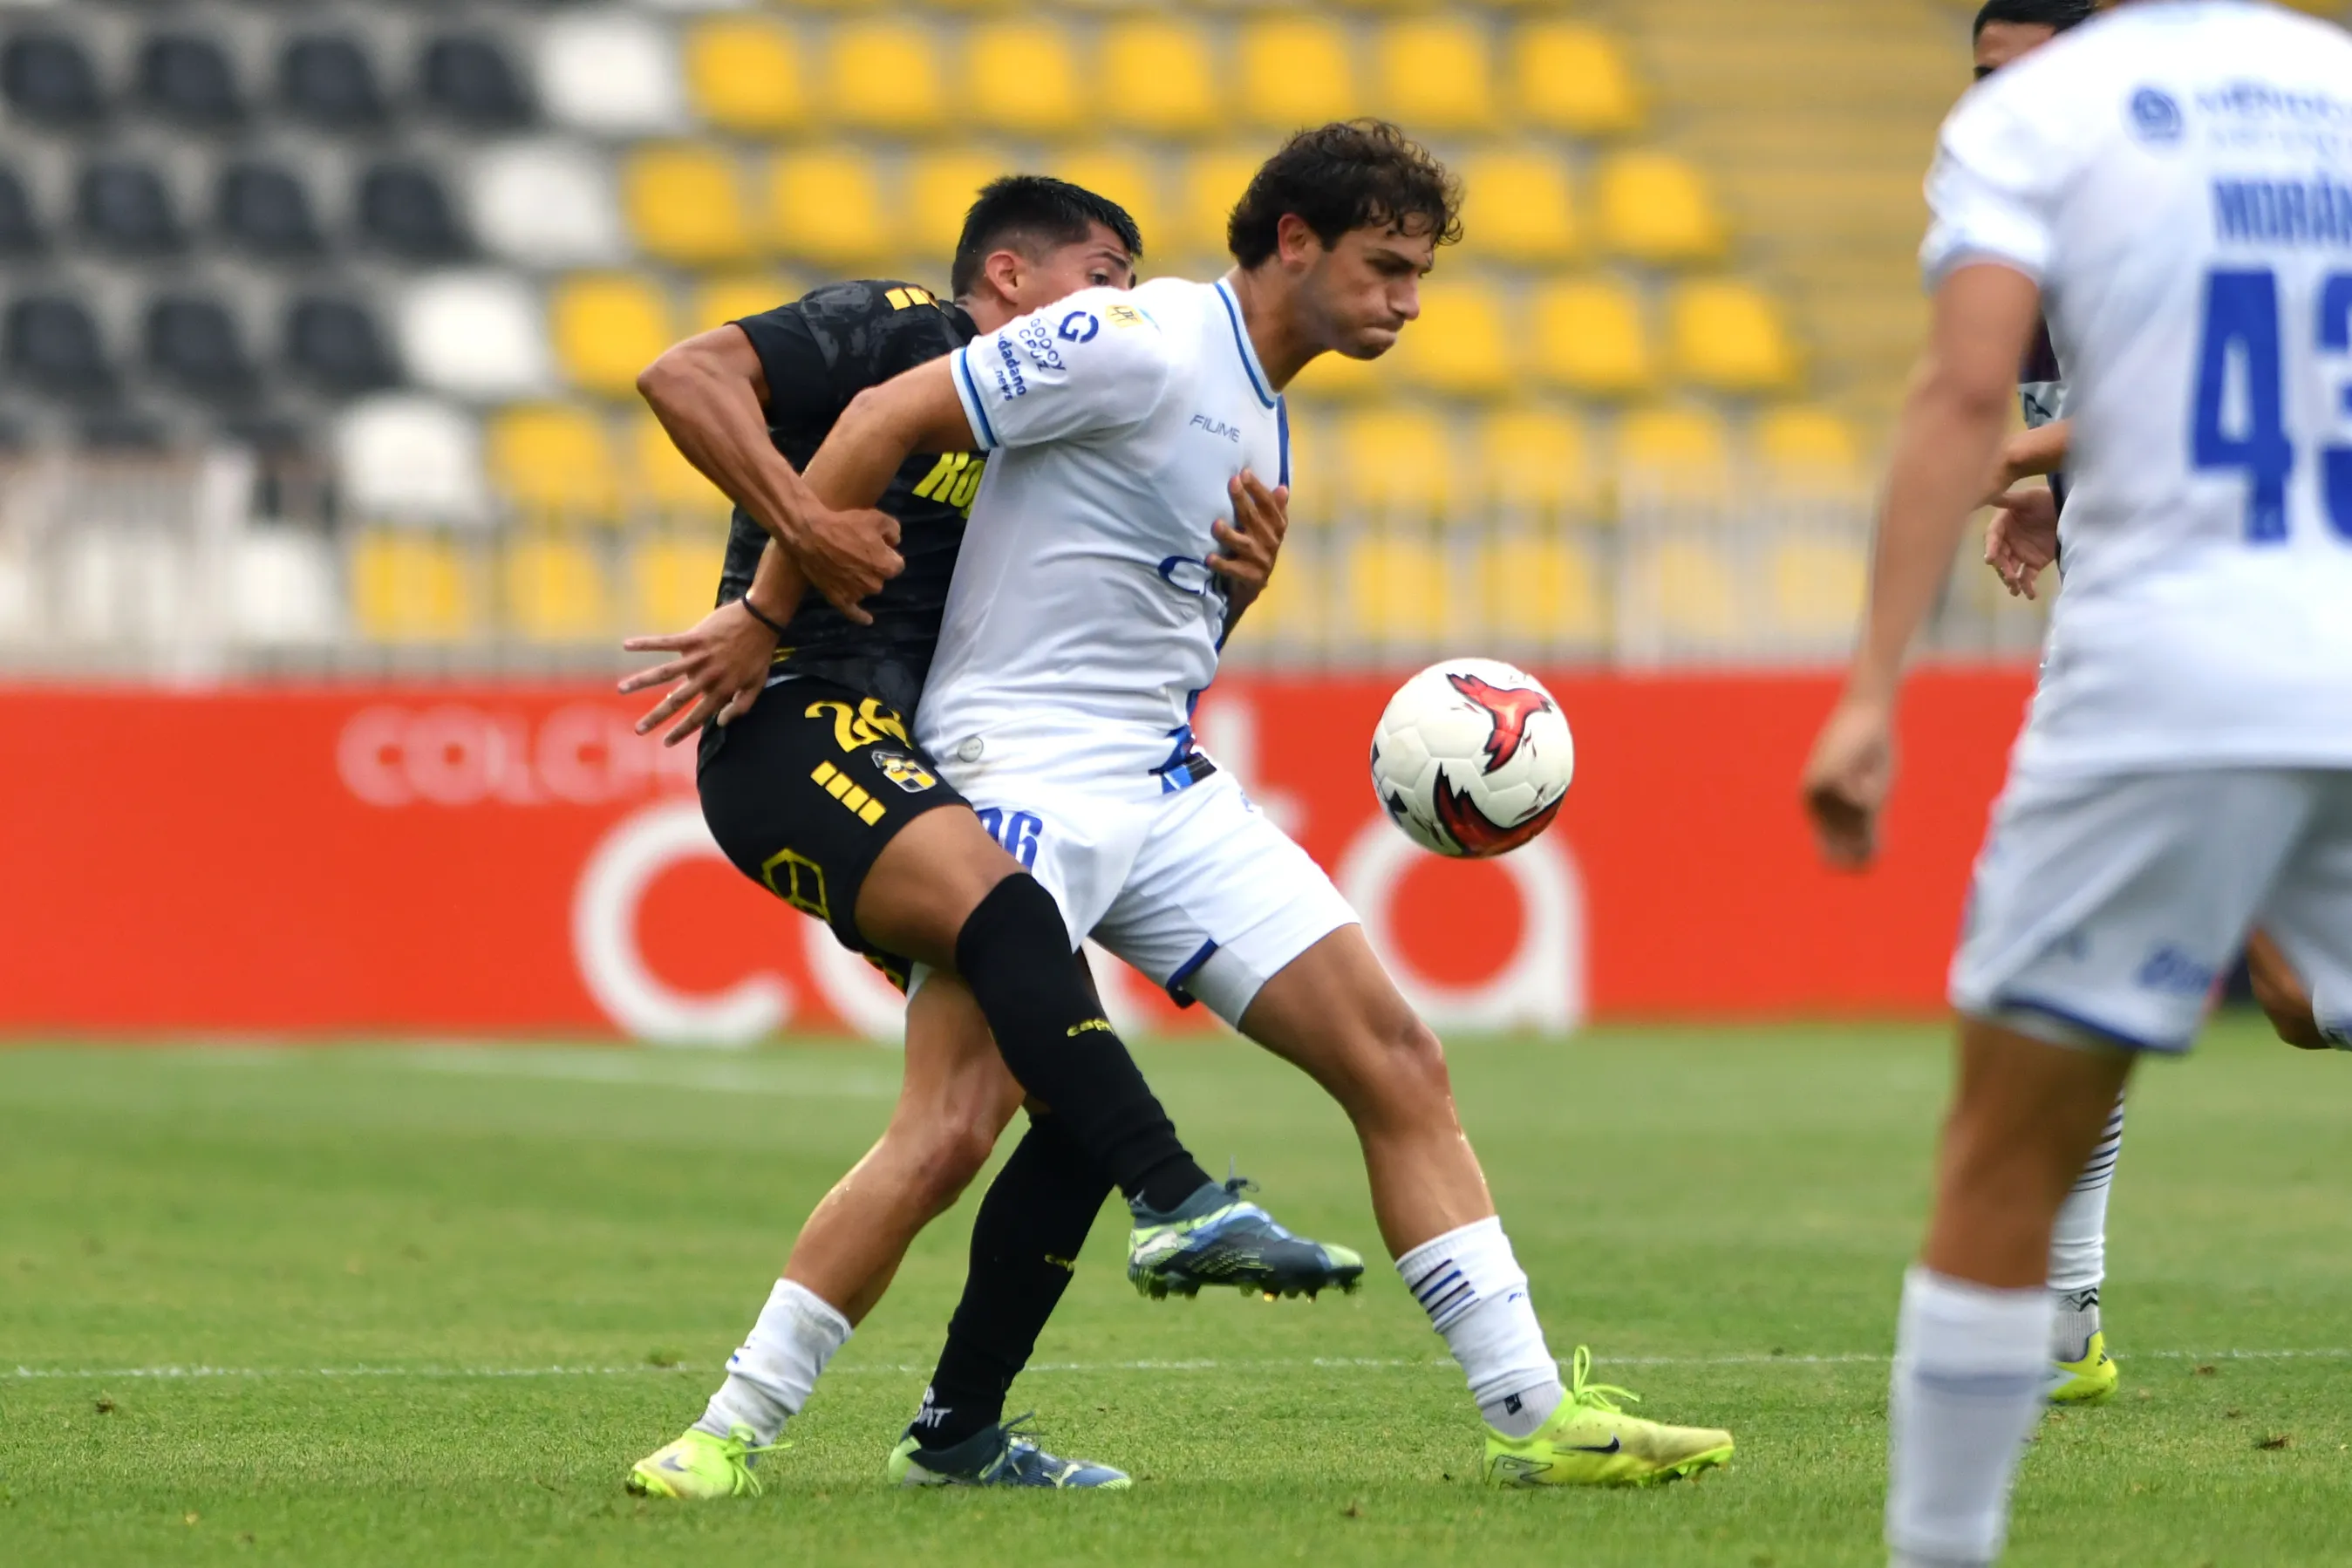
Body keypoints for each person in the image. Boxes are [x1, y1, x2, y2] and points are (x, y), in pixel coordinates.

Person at [748, 118, 1735, 1489]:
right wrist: (763, 619)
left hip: (1160, 776)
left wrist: (1232, 598)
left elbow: (1137, 613)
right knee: (953, 1129)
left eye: (1420, 277)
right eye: (1386, 266)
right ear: (1293, 240)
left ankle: (1536, 1415)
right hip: (1024, 767)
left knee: (1398, 1060)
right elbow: (879, 419)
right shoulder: (1135, 335)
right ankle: (735, 1426)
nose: (1406, 300)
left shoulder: (1261, 405)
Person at [620, 176, 1360, 1500]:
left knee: (1010, 1108)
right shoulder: (900, 332)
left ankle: (946, 1429)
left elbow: (1116, 640)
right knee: (1019, 943)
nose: (1126, 301)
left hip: (932, 766)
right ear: (1008, 276)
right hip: (795, 724)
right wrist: (778, 572)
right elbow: (682, 373)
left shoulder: (1074, 410)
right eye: (1104, 270)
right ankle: (1182, 1198)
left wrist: (1230, 587)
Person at [1802, 3, 2352, 1563]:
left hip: (2172, 664)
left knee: (2005, 1114)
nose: (1998, 87)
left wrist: (1870, 685)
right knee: (2306, 1001)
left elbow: (1961, 394)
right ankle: (2071, 1319)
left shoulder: (2042, 126)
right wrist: (2068, 476)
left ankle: (1955, 1520)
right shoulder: (2329, 85)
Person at [1960, 0, 2124, 1412]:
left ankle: (2056, 1318)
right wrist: (2049, 492)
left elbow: (2168, 382)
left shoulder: (2148, 194)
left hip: (2225, 613)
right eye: (1985, 77)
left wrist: (1992, 454)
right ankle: (2063, 1319)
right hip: (2131, 605)